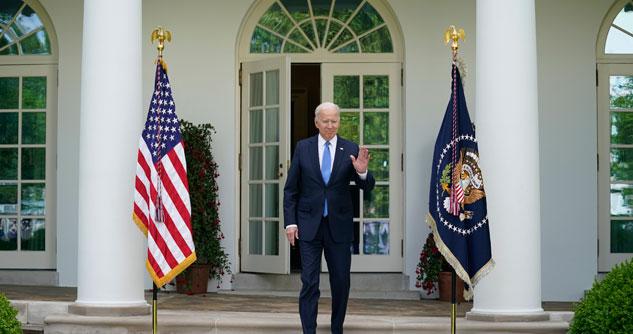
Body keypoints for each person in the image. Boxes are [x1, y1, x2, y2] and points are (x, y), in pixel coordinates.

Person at [283, 101, 375, 334]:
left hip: (339, 226)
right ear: (317, 122)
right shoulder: (303, 148)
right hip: (309, 225)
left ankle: (336, 328)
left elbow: (368, 187)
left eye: (335, 121)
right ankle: (309, 331)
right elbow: (291, 189)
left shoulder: (350, 147)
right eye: (326, 121)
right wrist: (290, 222)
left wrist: (362, 172)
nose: (331, 125)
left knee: (341, 282)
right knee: (309, 282)